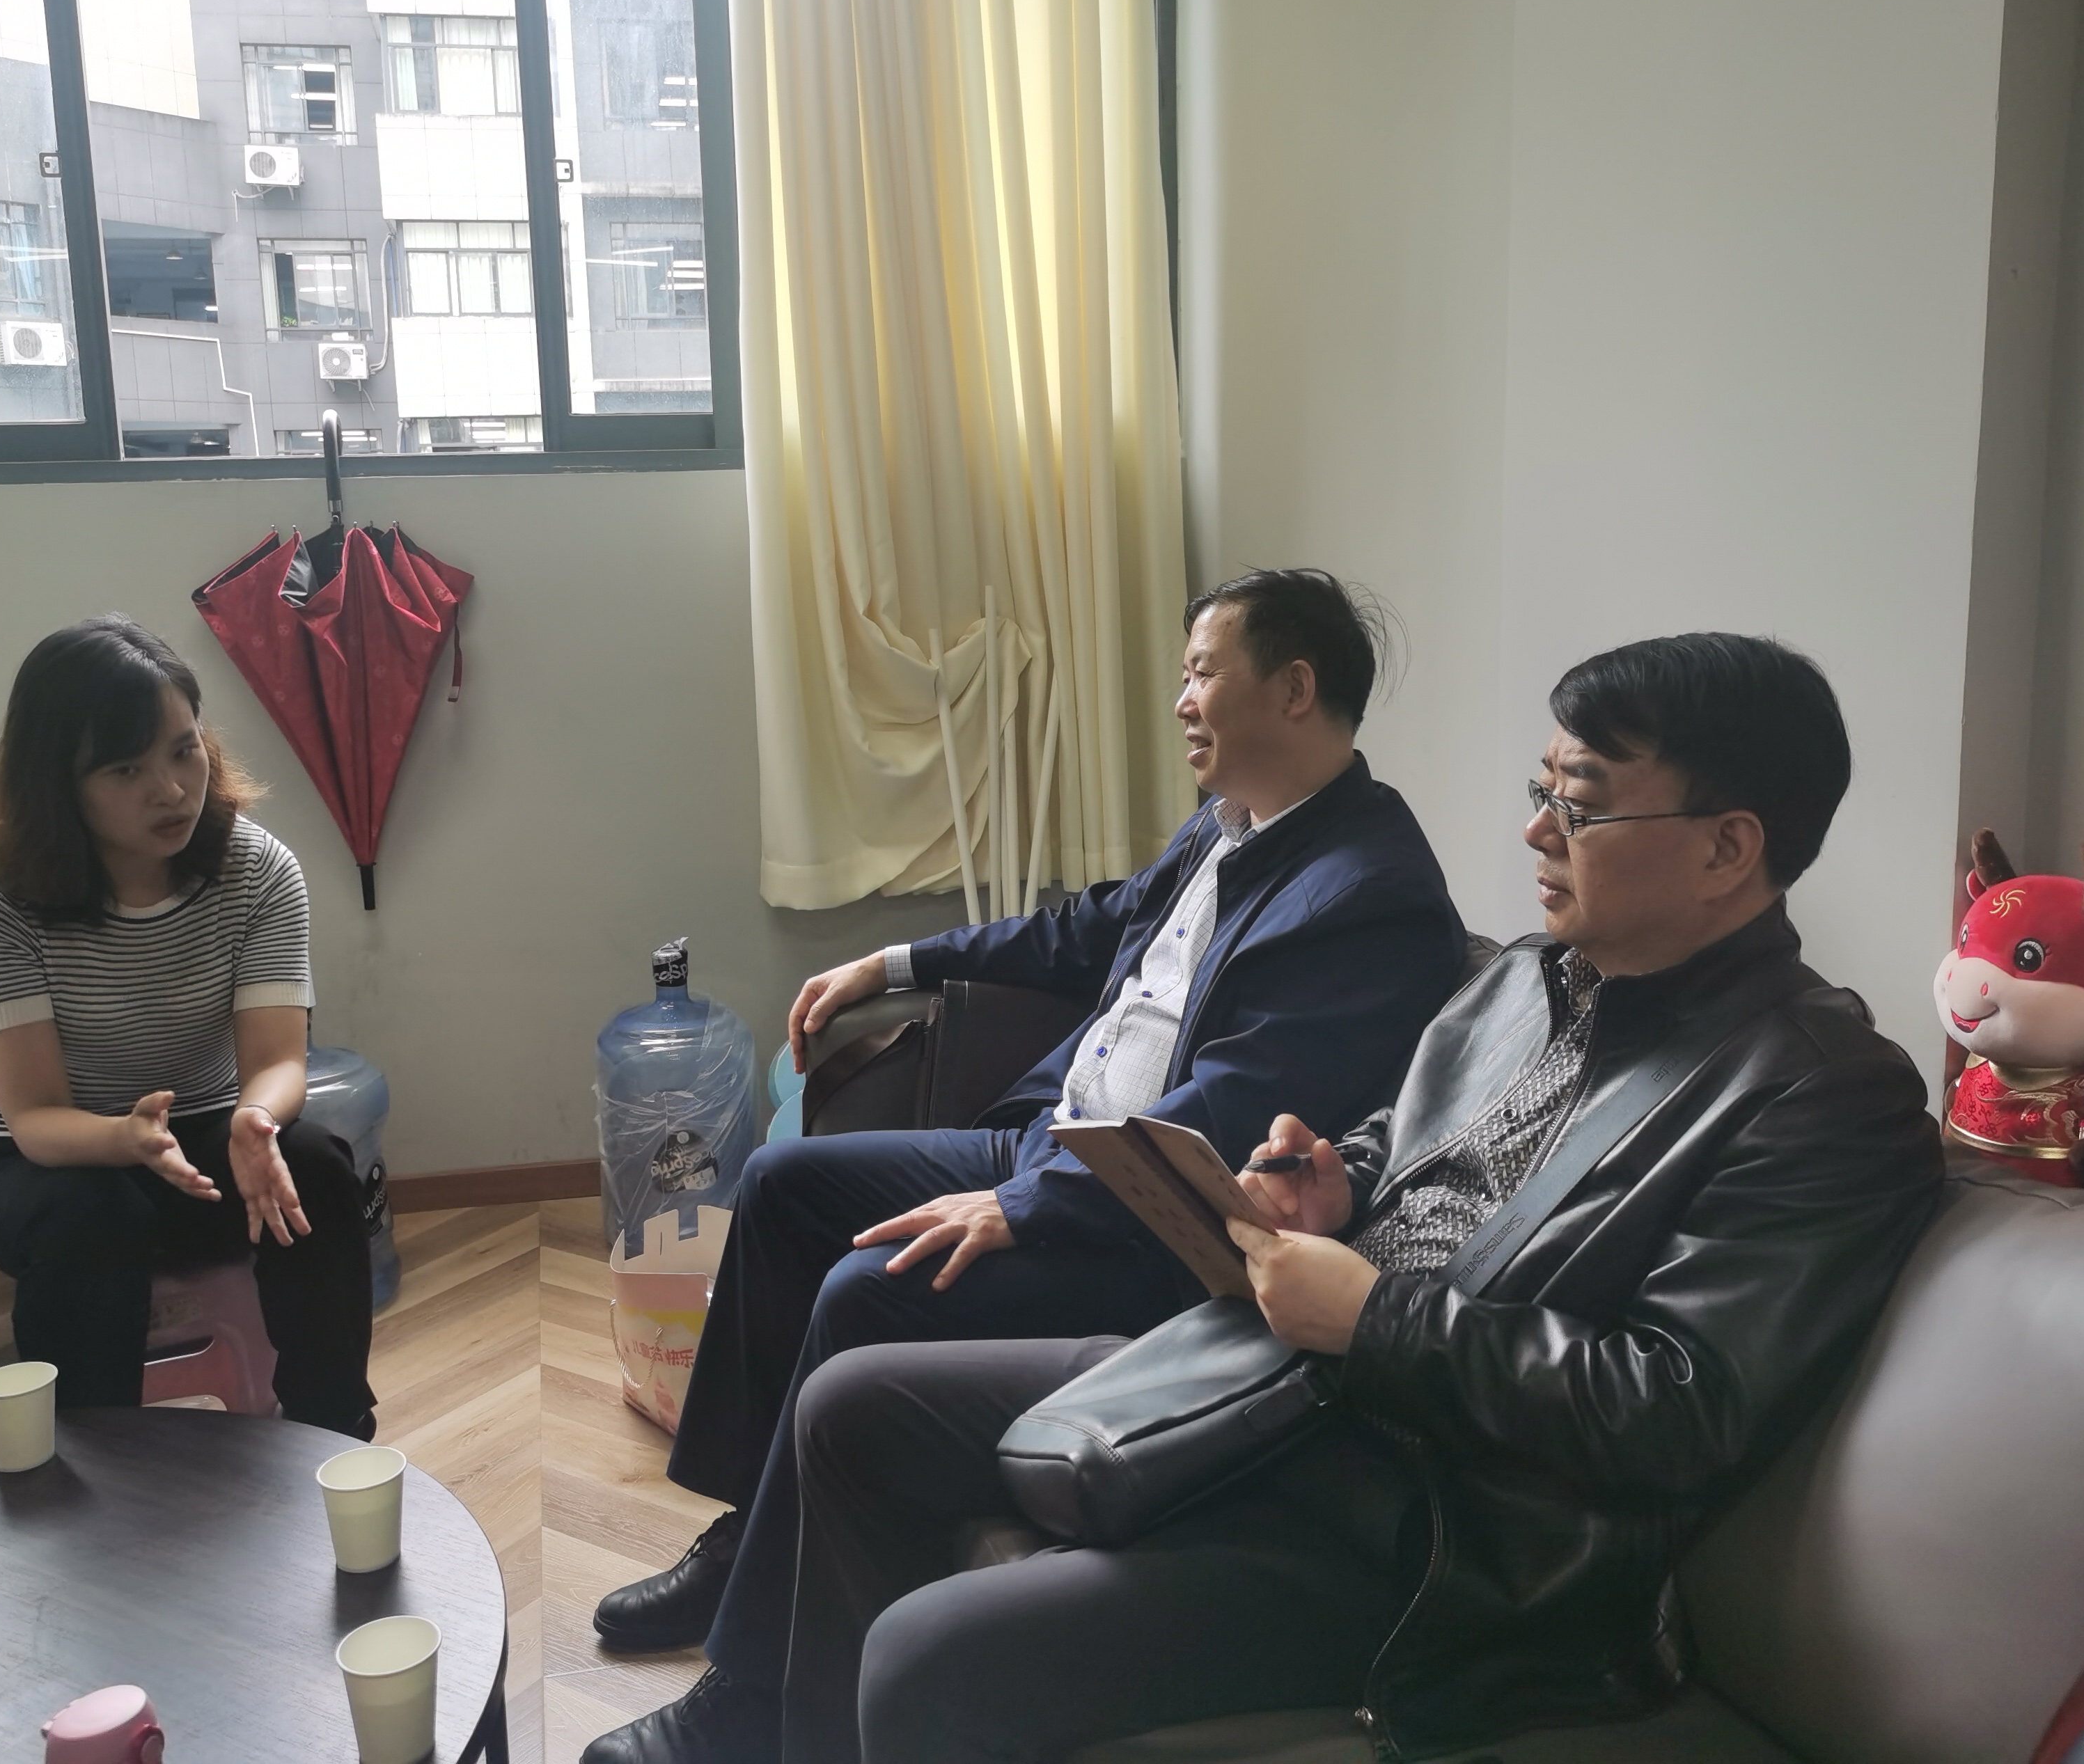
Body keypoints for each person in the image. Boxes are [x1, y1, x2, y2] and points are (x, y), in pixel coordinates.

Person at [777, 632, 1946, 1763]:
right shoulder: (1527, 981)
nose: (1537, 831)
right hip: (1290, 1391)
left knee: (929, 1656)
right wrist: (1333, 1186)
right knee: (853, 1406)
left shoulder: (1816, 1091)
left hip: (1438, 1532)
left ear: (1727, 848)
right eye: (1540, 790)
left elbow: (1678, 1408)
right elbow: (1404, 1142)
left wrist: (1373, 1320)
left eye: (1581, 806)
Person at [583, 570, 1468, 1764]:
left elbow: (1230, 1109)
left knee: (869, 1287)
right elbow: (1088, 928)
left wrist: (1024, 1205)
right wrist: (897, 962)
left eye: (1203, 672)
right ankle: (749, 1543)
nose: (1181, 700)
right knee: (790, 1189)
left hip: (1144, 1227)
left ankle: (755, 1701)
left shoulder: (1367, 893)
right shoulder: (1229, 826)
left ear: (1294, 688)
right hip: (1056, 1143)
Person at [0, 615, 376, 1439]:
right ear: (56, 782)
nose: (173, 790)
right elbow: (35, 1119)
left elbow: (279, 1059)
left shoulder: (256, 868)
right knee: (94, 1217)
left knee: (315, 1168)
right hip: (44, 1164)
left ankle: (333, 1436)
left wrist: (256, 1119)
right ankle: (94, 1459)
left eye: (184, 751)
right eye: (126, 769)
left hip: (204, 1133)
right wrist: (126, 1138)